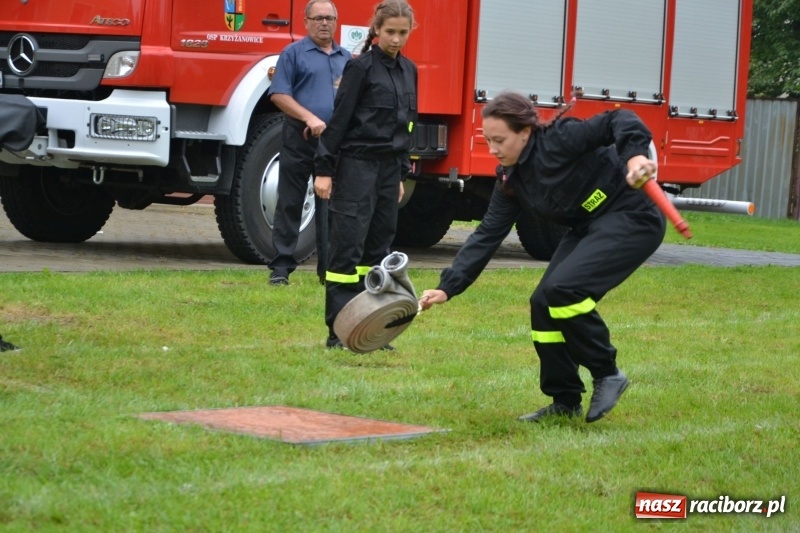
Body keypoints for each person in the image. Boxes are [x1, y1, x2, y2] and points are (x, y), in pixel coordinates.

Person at [419, 91, 667, 423]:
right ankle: (564, 401)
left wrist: (635, 157)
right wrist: (448, 287)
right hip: (588, 224)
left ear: (524, 132)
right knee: (543, 302)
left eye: (500, 140)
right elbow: (487, 234)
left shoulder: (560, 138)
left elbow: (619, 120)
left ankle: (607, 373)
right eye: (488, 140)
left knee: (564, 290)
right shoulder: (510, 179)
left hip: (632, 213)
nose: (492, 149)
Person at [314, 0, 418, 349]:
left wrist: (401, 174)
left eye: (403, 33)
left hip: (389, 169)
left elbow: (407, 125)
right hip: (357, 164)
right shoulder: (360, 69)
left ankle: (370, 327)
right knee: (348, 248)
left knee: (378, 248)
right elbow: (338, 122)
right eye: (390, 32)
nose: (396, 39)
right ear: (376, 30)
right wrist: (324, 170)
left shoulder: (409, 70)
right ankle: (338, 330)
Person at [267, 0, 352, 286]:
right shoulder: (292, 54)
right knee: (290, 200)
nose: (324, 23)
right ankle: (281, 268)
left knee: (332, 205)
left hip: (334, 143)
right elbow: (279, 94)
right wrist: (309, 118)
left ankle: (328, 270)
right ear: (306, 21)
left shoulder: (347, 59)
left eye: (329, 18)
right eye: (318, 18)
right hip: (299, 136)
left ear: (337, 21)